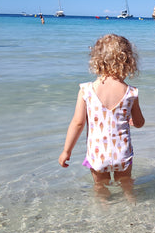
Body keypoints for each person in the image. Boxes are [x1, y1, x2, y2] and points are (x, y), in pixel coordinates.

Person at [59, 34, 145, 196]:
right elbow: (140, 122)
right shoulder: (131, 92)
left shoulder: (86, 90)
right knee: (126, 182)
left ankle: (103, 211)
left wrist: (66, 151)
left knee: (100, 186)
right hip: (122, 153)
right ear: (128, 62)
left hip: (98, 153)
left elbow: (78, 123)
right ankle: (131, 204)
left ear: (97, 60)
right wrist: (133, 121)